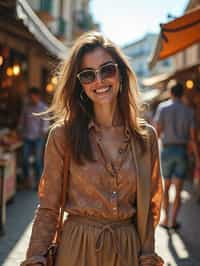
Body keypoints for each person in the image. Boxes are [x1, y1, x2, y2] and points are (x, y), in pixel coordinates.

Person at [21, 31, 163, 266]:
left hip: (126, 250)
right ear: (80, 85)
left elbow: (149, 208)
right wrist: (35, 257)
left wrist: (147, 254)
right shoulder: (62, 135)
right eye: (88, 75)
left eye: (107, 70)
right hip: (75, 249)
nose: (99, 81)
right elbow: (48, 206)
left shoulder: (145, 137)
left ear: (121, 73)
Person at [154, 80, 200, 230]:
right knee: (178, 189)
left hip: (166, 150)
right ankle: (173, 221)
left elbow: (157, 131)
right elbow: (193, 138)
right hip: (182, 151)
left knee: (166, 188)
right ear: (182, 93)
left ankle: (165, 219)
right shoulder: (189, 111)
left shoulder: (162, 108)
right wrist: (198, 158)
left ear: (170, 92)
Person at [18, 87, 49, 189]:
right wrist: (19, 130)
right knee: (24, 159)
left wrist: (43, 133)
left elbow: (45, 125)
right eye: (30, 96)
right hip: (27, 137)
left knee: (37, 161)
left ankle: (39, 184)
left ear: (38, 96)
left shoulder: (43, 108)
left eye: (33, 96)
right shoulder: (26, 107)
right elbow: (22, 121)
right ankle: (27, 181)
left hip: (38, 138)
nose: (31, 98)